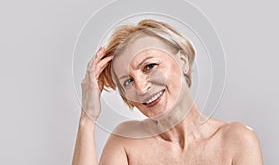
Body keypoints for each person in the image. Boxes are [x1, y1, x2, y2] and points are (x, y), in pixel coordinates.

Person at [72, 19, 263, 165]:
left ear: (183, 61)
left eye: (149, 66)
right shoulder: (125, 142)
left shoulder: (236, 140)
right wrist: (87, 118)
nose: (141, 87)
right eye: (128, 81)